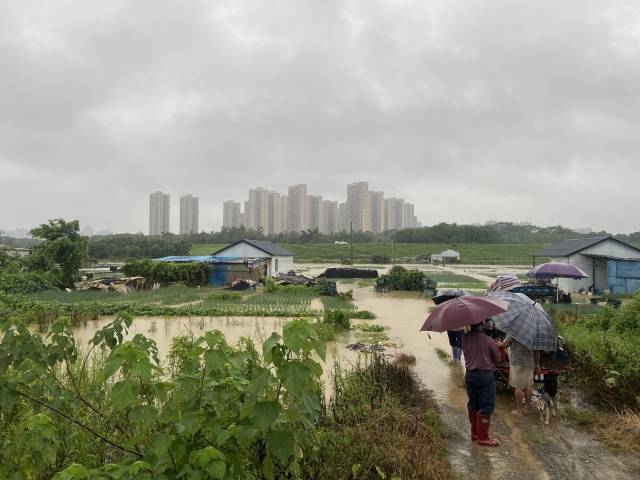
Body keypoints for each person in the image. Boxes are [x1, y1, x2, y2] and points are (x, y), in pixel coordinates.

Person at [461, 322, 501, 446]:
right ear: (481, 325)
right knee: (487, 405)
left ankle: (475, 433)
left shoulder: (464, 338)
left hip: (470, 375)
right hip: (485, 376)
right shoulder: (488, 340)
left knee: (473, 404)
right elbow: (498, 358)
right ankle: (483, 438)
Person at [497, 336, 534, 415]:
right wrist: (537, 364)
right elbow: (537, 350)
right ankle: (527, 408)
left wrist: (500, 344)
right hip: (529, 361)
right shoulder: (532, 330)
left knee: (518, 386)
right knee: (528, 385)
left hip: (517, 361)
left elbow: (507, 343)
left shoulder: (515, 328)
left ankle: (519, 410)